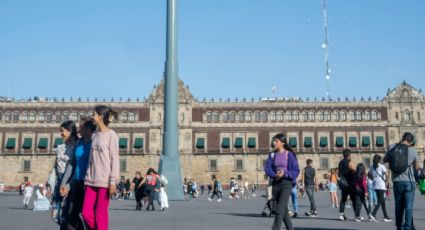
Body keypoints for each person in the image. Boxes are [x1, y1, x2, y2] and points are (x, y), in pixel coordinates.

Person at [82, 105, 119, 230]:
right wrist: (86, 177)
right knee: (86, 213)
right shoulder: (94, 135)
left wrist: (113, 181)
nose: (93, 116)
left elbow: (115, 159)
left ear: (101, 116)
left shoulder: (111, 135)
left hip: (105, 181)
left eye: (94, 114)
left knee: (100, 214)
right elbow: (91, 160)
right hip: (91, 180)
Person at [59, 117, 95, 229]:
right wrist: (64, 183)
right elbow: (72, 164)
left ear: (89, 128)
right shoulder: (78, 143)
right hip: (76, 183)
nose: (78, 129)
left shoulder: (95, 143)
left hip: (89, 184)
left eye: (81, 127)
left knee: (87, 215)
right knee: (72, 216)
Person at [264, 133, 300, 230]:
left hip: (286, 184)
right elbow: (267, 168)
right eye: (274, 140)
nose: (274, 142)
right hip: (276, 183)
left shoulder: (289, 154)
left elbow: (296, 170)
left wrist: (285, 174)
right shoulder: (272, 155)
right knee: (283, 212)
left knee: (279, 210)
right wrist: (274, 175)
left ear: (282, 143)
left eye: (276, 141)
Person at [384, 132, 418, 230]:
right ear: (410, 141)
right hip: (409, 181)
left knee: (398, 205)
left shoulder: (392, 147)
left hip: (397, 181)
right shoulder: (412, 150)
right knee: (408, 205)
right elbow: (416, 167)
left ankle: (398, 226)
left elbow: (385, 160)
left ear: (402, 138)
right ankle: (407, 227)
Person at [52, 120, 78, 225]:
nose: (60, 133)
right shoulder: (60, 146)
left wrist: (68, 185)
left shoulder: (77, 146)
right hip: (59, 181)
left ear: (70, 131)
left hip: (70, 182)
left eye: (62, 131)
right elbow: (55, 166)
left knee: (67, 215)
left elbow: (75, 167)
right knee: (55, 215)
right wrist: (49, 184)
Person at [370, 154, 392, 222]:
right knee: (380, 201)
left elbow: (368, 174)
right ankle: (373, 214)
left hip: (375, 185)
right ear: (379, 160)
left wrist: (373, 178)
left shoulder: (371, 167)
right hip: (381, 186)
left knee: (382, 202)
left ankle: (385, 216)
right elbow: (387, 175)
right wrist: (386, 182)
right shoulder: (381, 166)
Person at [338, 149, 357, 221]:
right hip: (350, 183)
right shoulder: (350, 162)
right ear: (349, 155)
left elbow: (339, 172)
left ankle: (341, 214)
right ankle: (356, 215)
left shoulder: (340, 162)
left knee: (343, 199)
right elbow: (354, 171)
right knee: (353, 199)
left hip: (343, 183)